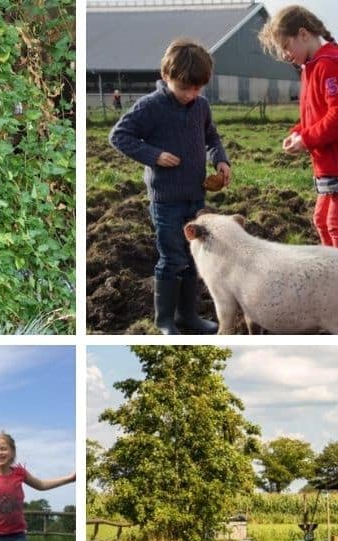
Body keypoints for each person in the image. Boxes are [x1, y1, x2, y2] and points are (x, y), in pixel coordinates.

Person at [109, 38, 231, 335]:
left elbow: (212, 138)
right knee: (172, 257)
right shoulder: (151, 106)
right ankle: (164, 320)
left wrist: (221, 161)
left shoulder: (201, 106)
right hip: (165, 200)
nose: (191, 94)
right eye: (184, 88)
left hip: (195, 195)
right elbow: (119, 135)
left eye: (197, 88)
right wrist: (154, 155)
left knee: (191, 258)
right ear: (166, 77)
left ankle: (187, 316)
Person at [259, 5, 338, 255]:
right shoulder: (312, 68)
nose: (285, 55)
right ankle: (337, 271)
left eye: (285, 46)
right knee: (321, 220)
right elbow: (315, 113)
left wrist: (307, 139)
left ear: (303, 34)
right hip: (332, 163)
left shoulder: (328, 66)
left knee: (336, 224)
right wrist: (298, 132)